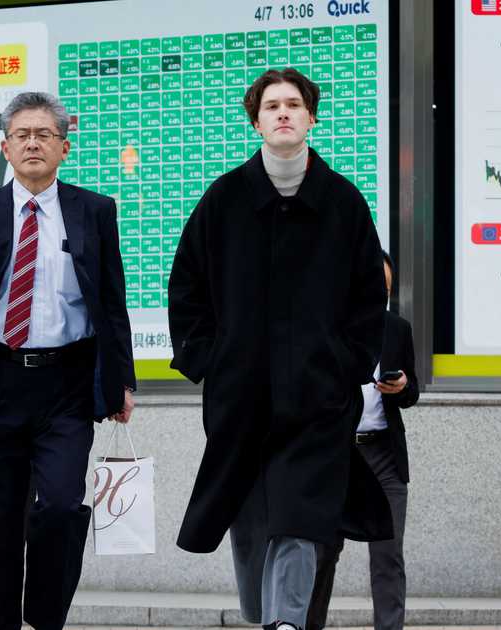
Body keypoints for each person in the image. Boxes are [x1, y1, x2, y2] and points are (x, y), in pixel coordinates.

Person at [167, 68, 392, 630]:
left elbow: (370, 295)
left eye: (294, 104)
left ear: (311, 117)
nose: (284, 112)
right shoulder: (225, 199)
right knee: (251, 518)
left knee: (299, 513)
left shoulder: (342, 201)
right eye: (272, 106)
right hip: (240, 398)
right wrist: (208, 360)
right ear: (257, 121)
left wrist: (345, 364)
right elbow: (186, 285)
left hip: (318, 399)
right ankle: (264, 614)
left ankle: (284, 622)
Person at [0, 91, 136, 630]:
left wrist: (121, 380)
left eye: (44, 134)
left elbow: (112, 302)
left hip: (66, 384)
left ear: (65, 146)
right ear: (5, 148)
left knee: (61, 506)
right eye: (22, 135)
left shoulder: (94, 211)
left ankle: (44, 617)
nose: (33, 143)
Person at [307, 251, 419, 630]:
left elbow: (412, 392)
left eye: (385, 289)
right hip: (337, 454)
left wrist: (403, 386)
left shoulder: (397, 329)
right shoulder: (328, 328)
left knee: (388, 556)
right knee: (322, 554)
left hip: (384, 454)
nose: (378, 295)